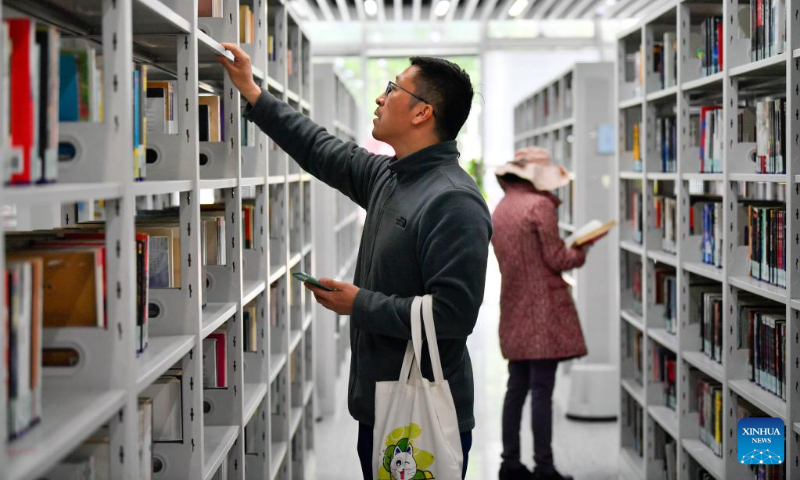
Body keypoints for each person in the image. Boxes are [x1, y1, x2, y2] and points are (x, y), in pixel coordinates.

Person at [217, 45, 492, 479]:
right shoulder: (390, 176)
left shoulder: (453, 200)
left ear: (423, 113)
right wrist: (252, 91)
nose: (380, 99)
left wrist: (358, 304)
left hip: (422, 410)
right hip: (380, 400)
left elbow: (454, 316)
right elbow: (321, 149)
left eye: (392, 89)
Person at [491, 147, 601, 480]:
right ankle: (545, 466)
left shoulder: (501, 208)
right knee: (542, 391)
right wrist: (581, 249)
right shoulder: (539, 207)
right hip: (543, 313)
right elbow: (556, 259)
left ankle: (509, 462)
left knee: (516, 387)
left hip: (513, 304)